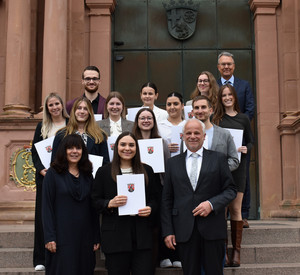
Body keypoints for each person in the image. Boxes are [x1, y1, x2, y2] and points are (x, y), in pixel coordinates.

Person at [161, 119, 237, 275]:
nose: (192, 136)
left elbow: (230, 190)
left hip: (213, 228)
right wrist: (168, 231)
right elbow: (167, 199)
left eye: (197, 133)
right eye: (188, 133)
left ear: (204, 136)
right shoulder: (172, 163)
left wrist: (211, 204)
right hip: (184, 231)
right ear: (182, 136)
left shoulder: (218, 159)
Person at [91, 132, 161, 275]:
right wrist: (109, 203)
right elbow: (94, 200)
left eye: (131, 145)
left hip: (142, 237)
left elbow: (156, 199)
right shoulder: (104, 172)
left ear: (137, 148)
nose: (127, 148)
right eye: (123, 144)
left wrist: (151, 208)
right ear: (116, 147)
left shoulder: (147, 170)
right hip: (115, 238)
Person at [42, 134, 100, 275]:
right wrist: (50, 236)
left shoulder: (87, 175)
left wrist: (96, 236)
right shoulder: (53, 174)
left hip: (84, 237)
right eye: (70, 148)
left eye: (78, 148)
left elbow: (93, 209)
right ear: (63, 150)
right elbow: (46, 207)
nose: (74, 151)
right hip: (61, 237)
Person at [212, 84, 254, 267]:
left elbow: (251, 142)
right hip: (221, 168)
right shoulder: (217, 119)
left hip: (239, 168)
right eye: (224, 95)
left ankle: (236, 252)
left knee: (236, 209)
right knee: (222, 211)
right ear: (220, 98)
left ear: (235, 97)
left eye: (230, 95)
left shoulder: (244, 118)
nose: (227, 98)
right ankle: (224, 253)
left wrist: (246, 148)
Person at [217, 51, 255, 228]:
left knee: (242, 178)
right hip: (220, 148)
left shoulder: (244, 85)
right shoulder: (214, 85)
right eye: (223, 64)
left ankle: (244, 215)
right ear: (218, 67)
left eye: (229, 64)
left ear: (234, 66)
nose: (226, 66)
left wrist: (238, 124)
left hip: (239, 140)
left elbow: (250, 108)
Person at [31, 93, 69, 271]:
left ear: (62, 105)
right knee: (43, 215)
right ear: (47, 109)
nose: (54, 107)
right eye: (50, 105)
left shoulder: (70, 125)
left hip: (67, 176)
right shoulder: (42, 126)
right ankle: (40, 258)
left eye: (57, 104)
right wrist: (41, 169)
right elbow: (35, 153)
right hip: (46, 177)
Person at [51, 97, 109, 164]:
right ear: (74, 111)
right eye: (79, 108)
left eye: (85, 109)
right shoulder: (61, 134)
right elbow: (54, 161)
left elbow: (105, 163)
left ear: (90, 113)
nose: (82, 112)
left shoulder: (100, 135)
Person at [191, 95, 239, 172]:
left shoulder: (224, 134)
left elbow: (234, 160)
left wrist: (218, 170)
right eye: (197, 108)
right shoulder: (187, 135)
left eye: (203, 107)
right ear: (192, 112)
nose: (200, 111)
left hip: (218, 182)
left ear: (210, 110)